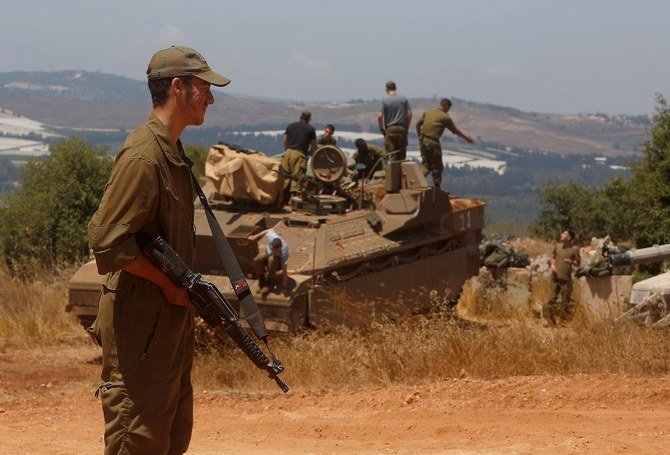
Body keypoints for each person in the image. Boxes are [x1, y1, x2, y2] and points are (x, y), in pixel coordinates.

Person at [87, 45, 230, 455]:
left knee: (170, 440)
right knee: (139, 441)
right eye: (204, 87)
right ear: (178, 87)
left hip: (166, 327)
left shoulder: (172, 152)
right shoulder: (144, 155)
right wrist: (166, 285)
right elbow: (107, 240)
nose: (211, 97)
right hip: (141, 328)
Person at [415, 98, 473, 189]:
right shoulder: (445, 117)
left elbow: (417, 124)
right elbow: (455, 131)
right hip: (433, 142)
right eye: (448, 108)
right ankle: (437, 187)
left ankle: (415, 181)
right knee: (437, 166)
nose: (448, 110)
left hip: (423, 141)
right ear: (446, 106)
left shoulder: (428, 112)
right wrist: (467, 138)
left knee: (426, 165)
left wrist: (420, 138)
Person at [546, 229, 581, 325]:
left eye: (564, 233)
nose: (561, 234)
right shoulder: (557, 246)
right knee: (550, 300)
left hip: (566, 279)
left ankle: (562, 321)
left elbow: (578, 263)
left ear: (569, 237)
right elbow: (553, 257)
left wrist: (571, 262)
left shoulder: (575, 249)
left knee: (565, 301)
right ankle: (550, 321)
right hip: (555, 278)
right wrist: (553, 266)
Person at [282, 110, 317, 196]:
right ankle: (293, 201)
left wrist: (287, 149)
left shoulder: (290, 126)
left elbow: (285, 140)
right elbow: (313, 146)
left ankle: (281, 199)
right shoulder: (310, 129)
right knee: (297, 179)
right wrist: (315, 156)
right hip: (299, 155)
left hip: (287, 153)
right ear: (309, 119)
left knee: (285, 177)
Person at [248, 228, 290, 298]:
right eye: (273, 249)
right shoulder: (272, 237)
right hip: (267, 254)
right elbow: (269, 230)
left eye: (276, 250)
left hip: (277, 263)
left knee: (272, 260)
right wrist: (255, 236)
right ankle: (262, 280)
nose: (274, 251)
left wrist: (284, 287)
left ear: (281, 247)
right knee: (257, 260)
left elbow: (284, 269)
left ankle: (269, 283)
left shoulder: (284, 250)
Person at [377, 81, 411, 161]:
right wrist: (406, 128)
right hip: (402, 129)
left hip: (390, 129)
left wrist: (381, 129)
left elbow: (380, 116)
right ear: (395, 88)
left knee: (392, 155)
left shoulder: (384, 100)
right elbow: (409, 114)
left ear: (387, 89)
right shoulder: (404, 99)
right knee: (402, 156)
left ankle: (392, 173)